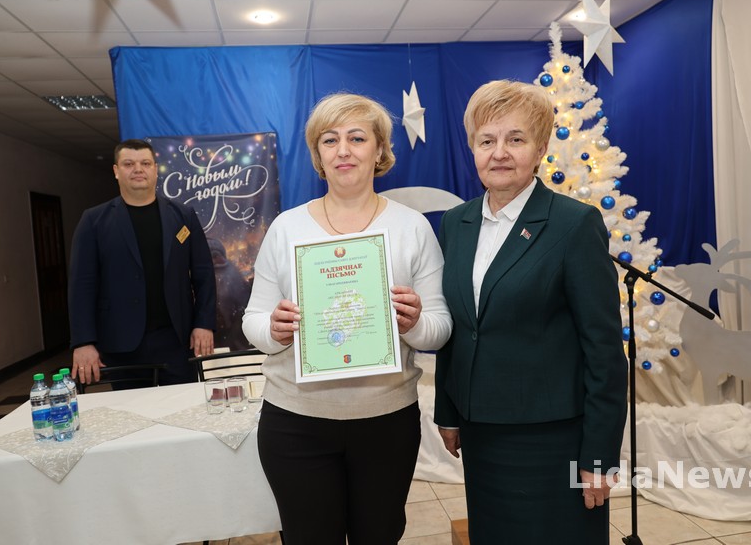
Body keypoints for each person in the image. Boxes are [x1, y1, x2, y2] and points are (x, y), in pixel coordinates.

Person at [242, 93, 452, 545]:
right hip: (295, 422)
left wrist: (414, 323)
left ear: (379, 150)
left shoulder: (412, 227)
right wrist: (274, 330)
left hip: (386, 422)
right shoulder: (286, 228)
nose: (343, 150)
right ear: (317, 154)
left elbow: (440, 325)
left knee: (379, 536)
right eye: (329, 140)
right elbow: (253, 321)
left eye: (357, 138)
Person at [434, 80, 628, 543]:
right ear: (473, 148)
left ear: (540, 148)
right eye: (487, 140)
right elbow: (456, 326)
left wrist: (599, 457)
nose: (499, 153)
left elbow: (603, 351)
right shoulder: (456, 223)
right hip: (482, 436)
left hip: (555, 441)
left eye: (515, 139)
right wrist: (448, 411)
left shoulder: (574, 224)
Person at [68, 139, 216, 387]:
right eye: (129, 164)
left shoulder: (183, 216)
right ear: (116, 171)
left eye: (145, 163)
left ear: (155, 169)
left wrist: (204, 324)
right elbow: (81, 286)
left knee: (182, 408)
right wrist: (83, 341)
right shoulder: (94, 221)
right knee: (131, 411)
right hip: (121, 344)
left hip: (176, 343)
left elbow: (204, 275)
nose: (138, 169)